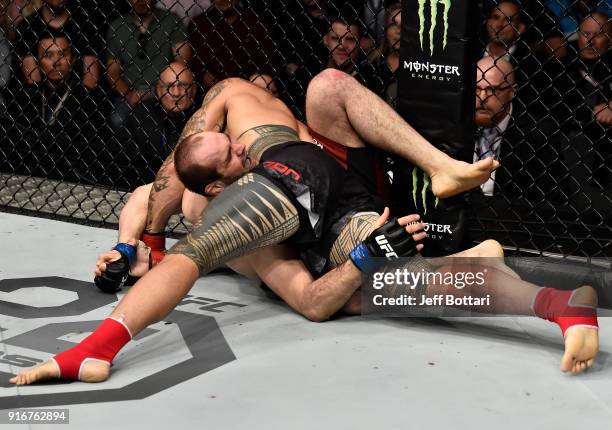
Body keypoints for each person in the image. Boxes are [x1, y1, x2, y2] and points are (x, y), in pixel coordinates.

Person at [9, 74, 597, 385]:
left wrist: (144, 248)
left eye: (232, 140)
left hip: (321, 176)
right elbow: (314, 303)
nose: (238, 145)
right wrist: (137, 243)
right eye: (229, 155)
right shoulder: (229, 223)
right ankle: (562, 303)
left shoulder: (242, 114)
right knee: (402, 282)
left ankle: (98, 347)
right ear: (217, 186)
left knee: (325, 87)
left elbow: (187, 185)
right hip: (326, 231)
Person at [2, 32, 107, 182]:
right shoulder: (25, 97)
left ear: (73, 59)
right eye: (48, 55)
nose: (56, 62)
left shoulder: (88, 99)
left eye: (62, 54)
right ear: (38, 62)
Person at [106, 0, 191, 128]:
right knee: (118, 119)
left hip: (166, 89)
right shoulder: (116, 27)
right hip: (130, 92)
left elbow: (183, 63)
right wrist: (129, 95)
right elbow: (112, 72)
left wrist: (162, 90)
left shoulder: (171, 21)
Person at [119, 62, 198, 185]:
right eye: (169, 86)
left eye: (183, 86)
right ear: (159, 90)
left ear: (194, 89)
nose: (176, 93)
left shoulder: (205, 113)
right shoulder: (141, 114)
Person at [188, 0, 276, 89]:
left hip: (250, 90)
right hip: (212, 91)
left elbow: (267, 63)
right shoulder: (199, 24)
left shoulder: (256, 23)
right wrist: (204, 75)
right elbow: (196, 66)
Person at [14, 0, 103, 88]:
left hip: (78, 96)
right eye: (48, 55)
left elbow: (90, 80)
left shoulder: (86, 25)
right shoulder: (27, 27)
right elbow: (33, 83)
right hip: (42, 97)